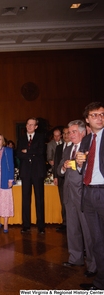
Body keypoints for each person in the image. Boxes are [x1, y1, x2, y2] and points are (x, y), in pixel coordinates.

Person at [57, 120, 96, 278]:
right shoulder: (68, 149)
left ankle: (93, 265)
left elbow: (92, 171)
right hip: (68, 194)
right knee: (72, 229)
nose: (70, 135)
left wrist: (79, 165)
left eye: (73, 132)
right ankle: (76, 258)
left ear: (82, 132)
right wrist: (64, 167)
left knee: (88, 232)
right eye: (69, 132)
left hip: (83, 195)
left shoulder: (89, 149)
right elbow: (59, 170)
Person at [76, 101, 104, 291]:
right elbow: (82, 168)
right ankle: (100, 282)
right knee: (96, 242)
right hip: (88, 192)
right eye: (94, 115)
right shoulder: (86, 140)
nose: (99, 118)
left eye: (102, 114)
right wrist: (78, 163)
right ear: (87, 120)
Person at [17, 117, 46, 234]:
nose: (29, 126)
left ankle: (41, 225)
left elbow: (41, 152)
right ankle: (26, 225)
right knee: (25, 199)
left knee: (39, 199)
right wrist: (31, 153)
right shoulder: (21, 138)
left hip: (38, 172)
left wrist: (27, 152)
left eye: (32, 125)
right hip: (25, 172)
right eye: (28, 124)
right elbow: (19, 153)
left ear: (36, 127)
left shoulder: (40, 137)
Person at [53, 127, 71, 231]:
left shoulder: (75, 146)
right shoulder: (59, 147)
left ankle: (72, 223)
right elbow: (56, 163)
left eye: (67, 133)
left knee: (71, 201)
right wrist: (55, 176)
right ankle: (64, 223)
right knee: (63, 201)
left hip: (71, 178)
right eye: (64, 133)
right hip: (61, 178)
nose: (66, 135)